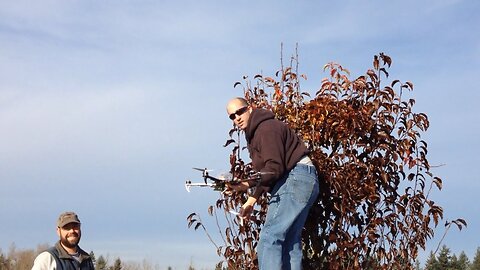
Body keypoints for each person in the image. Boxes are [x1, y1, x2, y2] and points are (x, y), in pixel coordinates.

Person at [225, 97, 320, 270]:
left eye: (240, 112)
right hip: (302, 179)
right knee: (290, 242)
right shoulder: (257, 132)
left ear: (250, 108)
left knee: (270, 237)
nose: (236, 118)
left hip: (295, 178)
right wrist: (251, 200)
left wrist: (247, 183)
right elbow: (269, 174)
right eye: (232, 116)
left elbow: (274, 169)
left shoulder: (266, 128)